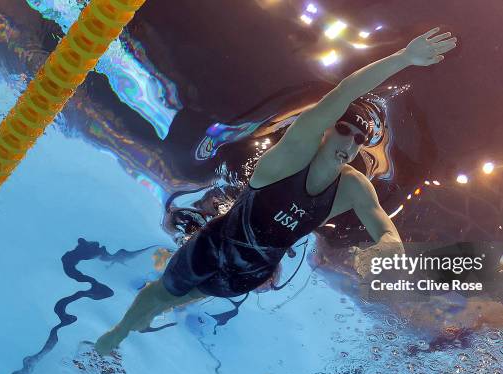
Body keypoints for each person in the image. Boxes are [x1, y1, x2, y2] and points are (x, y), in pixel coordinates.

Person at [94, 27, 457, 355]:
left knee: (187, 295)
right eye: (345, 129)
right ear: (327, 129)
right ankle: (117, 334)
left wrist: (386, 251)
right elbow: (346, 90)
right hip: (210, 248)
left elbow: (385, 228)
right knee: (161, 291)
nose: (350, 142)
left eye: (360, 139)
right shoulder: (292, 155)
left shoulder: (351, 187)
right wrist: (404, 58)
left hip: (248, 276)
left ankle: (159, 309)